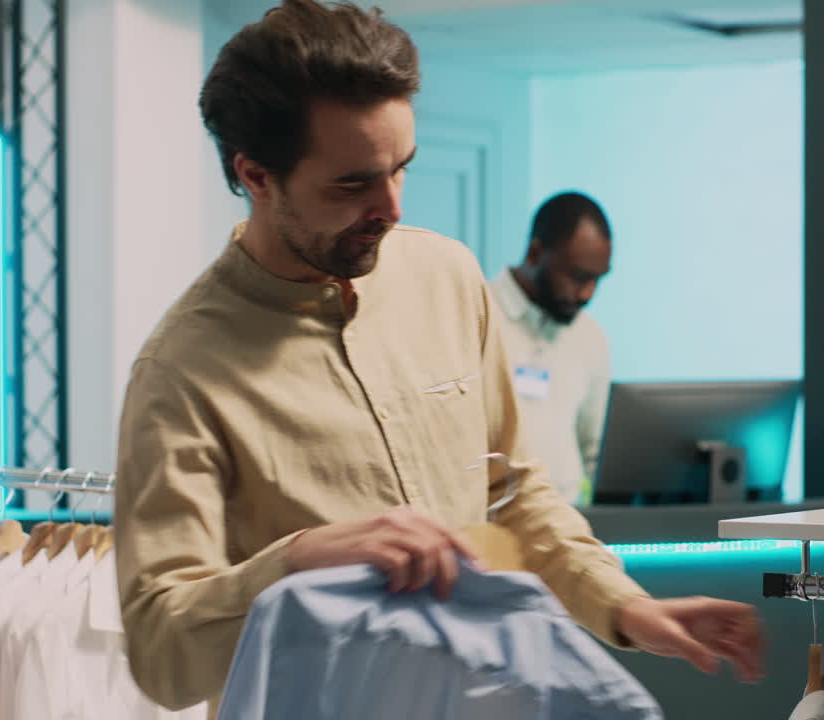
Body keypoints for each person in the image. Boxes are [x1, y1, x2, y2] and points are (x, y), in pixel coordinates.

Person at [112, 0, 765, 713]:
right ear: (258, 176)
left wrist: (625, 608)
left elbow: (512, 492)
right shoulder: (180, 372)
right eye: (353, 184)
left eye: (401, 168)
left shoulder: (448, 277)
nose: (390, 207)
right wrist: (295, 561)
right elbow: (160, 651)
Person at [489, 192, 613, 505]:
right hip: (492, 532)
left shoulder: (591, 337)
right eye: (578, 277)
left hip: (568, 528)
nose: (587, 294)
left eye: (598, 279)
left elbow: (594, 451)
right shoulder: (478, 317)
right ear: (535, 253)